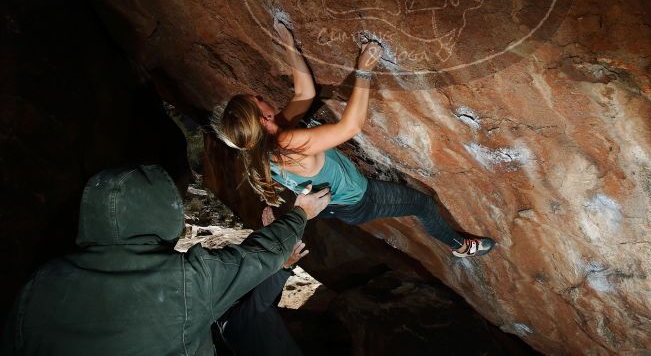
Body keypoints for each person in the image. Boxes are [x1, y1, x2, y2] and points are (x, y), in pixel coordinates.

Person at [204, 19, 495, 258]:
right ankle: (460, 247)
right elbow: (350, 126)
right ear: (262, 118)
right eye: (258, 99)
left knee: (305, 117)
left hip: (332, 204)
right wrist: (363, 71)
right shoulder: (288, 144)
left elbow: (305, 94)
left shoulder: (260, 146)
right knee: (423, 206)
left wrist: (289, 45)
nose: (262, 98)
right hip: (361, 200)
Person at [1, 164, 331, 356]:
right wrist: (300, 213)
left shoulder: (41, 282)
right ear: (164, 216)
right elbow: (256, 256)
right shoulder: (184, 280)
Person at [215, 205, 307, 356]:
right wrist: (284, 266)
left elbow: (262, 292)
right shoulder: (234, 323)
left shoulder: (227, 313)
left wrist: (272, 232)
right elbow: (261, 298)